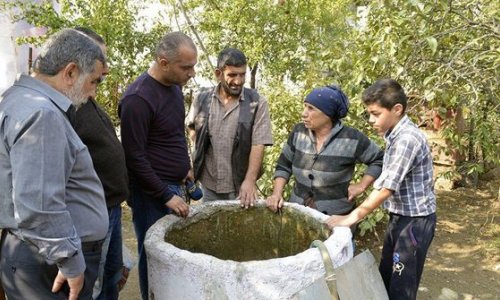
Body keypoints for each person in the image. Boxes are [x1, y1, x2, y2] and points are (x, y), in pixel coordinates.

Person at [0, 28, 109, 300]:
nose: (93, 93)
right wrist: (70, 261)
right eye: (94, 81)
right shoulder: (42, 113)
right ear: (70, 72)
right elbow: (39, 204)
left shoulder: (18, 98)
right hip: (48, 264)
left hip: (38, 255)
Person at [326, 79, 437, 299]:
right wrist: (360, 186)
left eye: (376, 114)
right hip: (400, 217)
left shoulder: (406, 139)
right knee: (386, 274)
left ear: (397, 109)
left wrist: (352, 217)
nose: (371, 120)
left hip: (414, 221)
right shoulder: (394, 135)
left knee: (401, 285)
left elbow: (387, 188)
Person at [119, 31, 197, 300]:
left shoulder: (174, 88)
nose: (192, 73)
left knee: (172, 252)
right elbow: (134, 157)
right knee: (154, 256)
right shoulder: (137, 99)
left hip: (175, 185)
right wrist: (166, 195)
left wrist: (185, 166)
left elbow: (174, 132)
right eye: (186, 67)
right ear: (163, 62)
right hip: (151, 193)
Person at [266, 86, 384, 223]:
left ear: (328, 114)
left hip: (336, 218)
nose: (304, 113)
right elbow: (284, 164)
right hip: (298, 213)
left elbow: (379, 159)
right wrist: (276, 193)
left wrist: (362, 185)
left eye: (311, 108)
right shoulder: (299, 132)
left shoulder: (352, 138)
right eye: (305, 107)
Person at [73, 27, 130, 300]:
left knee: (113, 276)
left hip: (110, 207)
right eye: (100, 60)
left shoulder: (87, 96)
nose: (106, 69)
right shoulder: (66, 105)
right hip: (93, 212)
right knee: (92, 284)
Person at [186, 48, 273, 208]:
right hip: (209, 183)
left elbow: (258, 143)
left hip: (240, 186)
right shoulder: (202, 98)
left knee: (239, 230)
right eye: (232, 75)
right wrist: (197, 155)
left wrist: (250, 180)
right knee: (213, 228)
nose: (238, 81)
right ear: (219, 74)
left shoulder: (257, 102)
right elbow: (191, 127)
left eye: (242, 74)